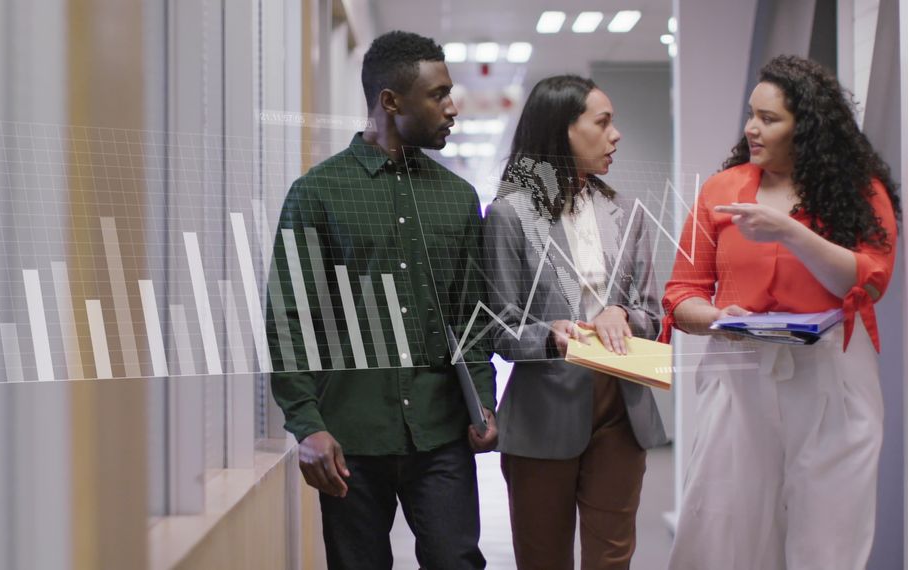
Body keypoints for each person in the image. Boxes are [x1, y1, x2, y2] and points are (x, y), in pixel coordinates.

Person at [266, 30, 497, 570]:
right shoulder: (318, 193)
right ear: (391, 101)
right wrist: (307, 423)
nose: (451, 107)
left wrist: (482, 401)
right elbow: (289, 315)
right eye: (437, 94)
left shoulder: (458, 198)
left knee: (456, 561)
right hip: (351, 439)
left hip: (441, 435)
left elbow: (470, 316)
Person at [662, 55, 900, 569]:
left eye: (769, 119)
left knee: (828, 534)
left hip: (831, 376)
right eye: (751, 114)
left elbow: (869, 279)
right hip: (739, 373)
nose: (752, 127)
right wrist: (719, 317)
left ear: (807, 127)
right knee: (723, 531)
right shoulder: (721, 191)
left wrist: (790, 231)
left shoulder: (857, 192)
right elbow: (682, 295)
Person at [483, 75, 668, 569]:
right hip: (543, 412)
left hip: (622, 407)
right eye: (603, 122)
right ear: (563, 131)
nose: (616, 134)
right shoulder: (509, 216)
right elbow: (499, 329)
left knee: (612, 559)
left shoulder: (626, 213)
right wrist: (550, 335)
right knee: (543, 559)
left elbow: (654, 311)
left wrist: (622, 313)